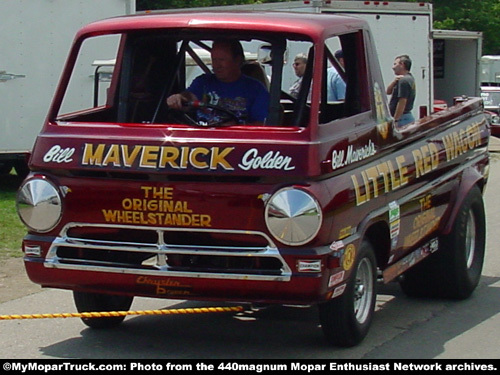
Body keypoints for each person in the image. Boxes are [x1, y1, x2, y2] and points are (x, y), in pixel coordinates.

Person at [166, 39, 269, 125]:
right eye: (214, 60)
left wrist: (236, 128)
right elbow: (190, 97)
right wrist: (179, 99)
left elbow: (260, 126)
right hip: (202, 140)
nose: (216, 65)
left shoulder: (256, 89)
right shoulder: (203, 82)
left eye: (222, 60)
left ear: (238, 60)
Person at [386, 54, 416, 127]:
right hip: (405, 117)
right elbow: (388, 92)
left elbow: (402, 102)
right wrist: (394, 82)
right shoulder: (409, 78)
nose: (393, 67)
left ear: (402, 64)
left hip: (402, 119)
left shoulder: (404, 81)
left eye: (395, 64)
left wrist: (395, 120)